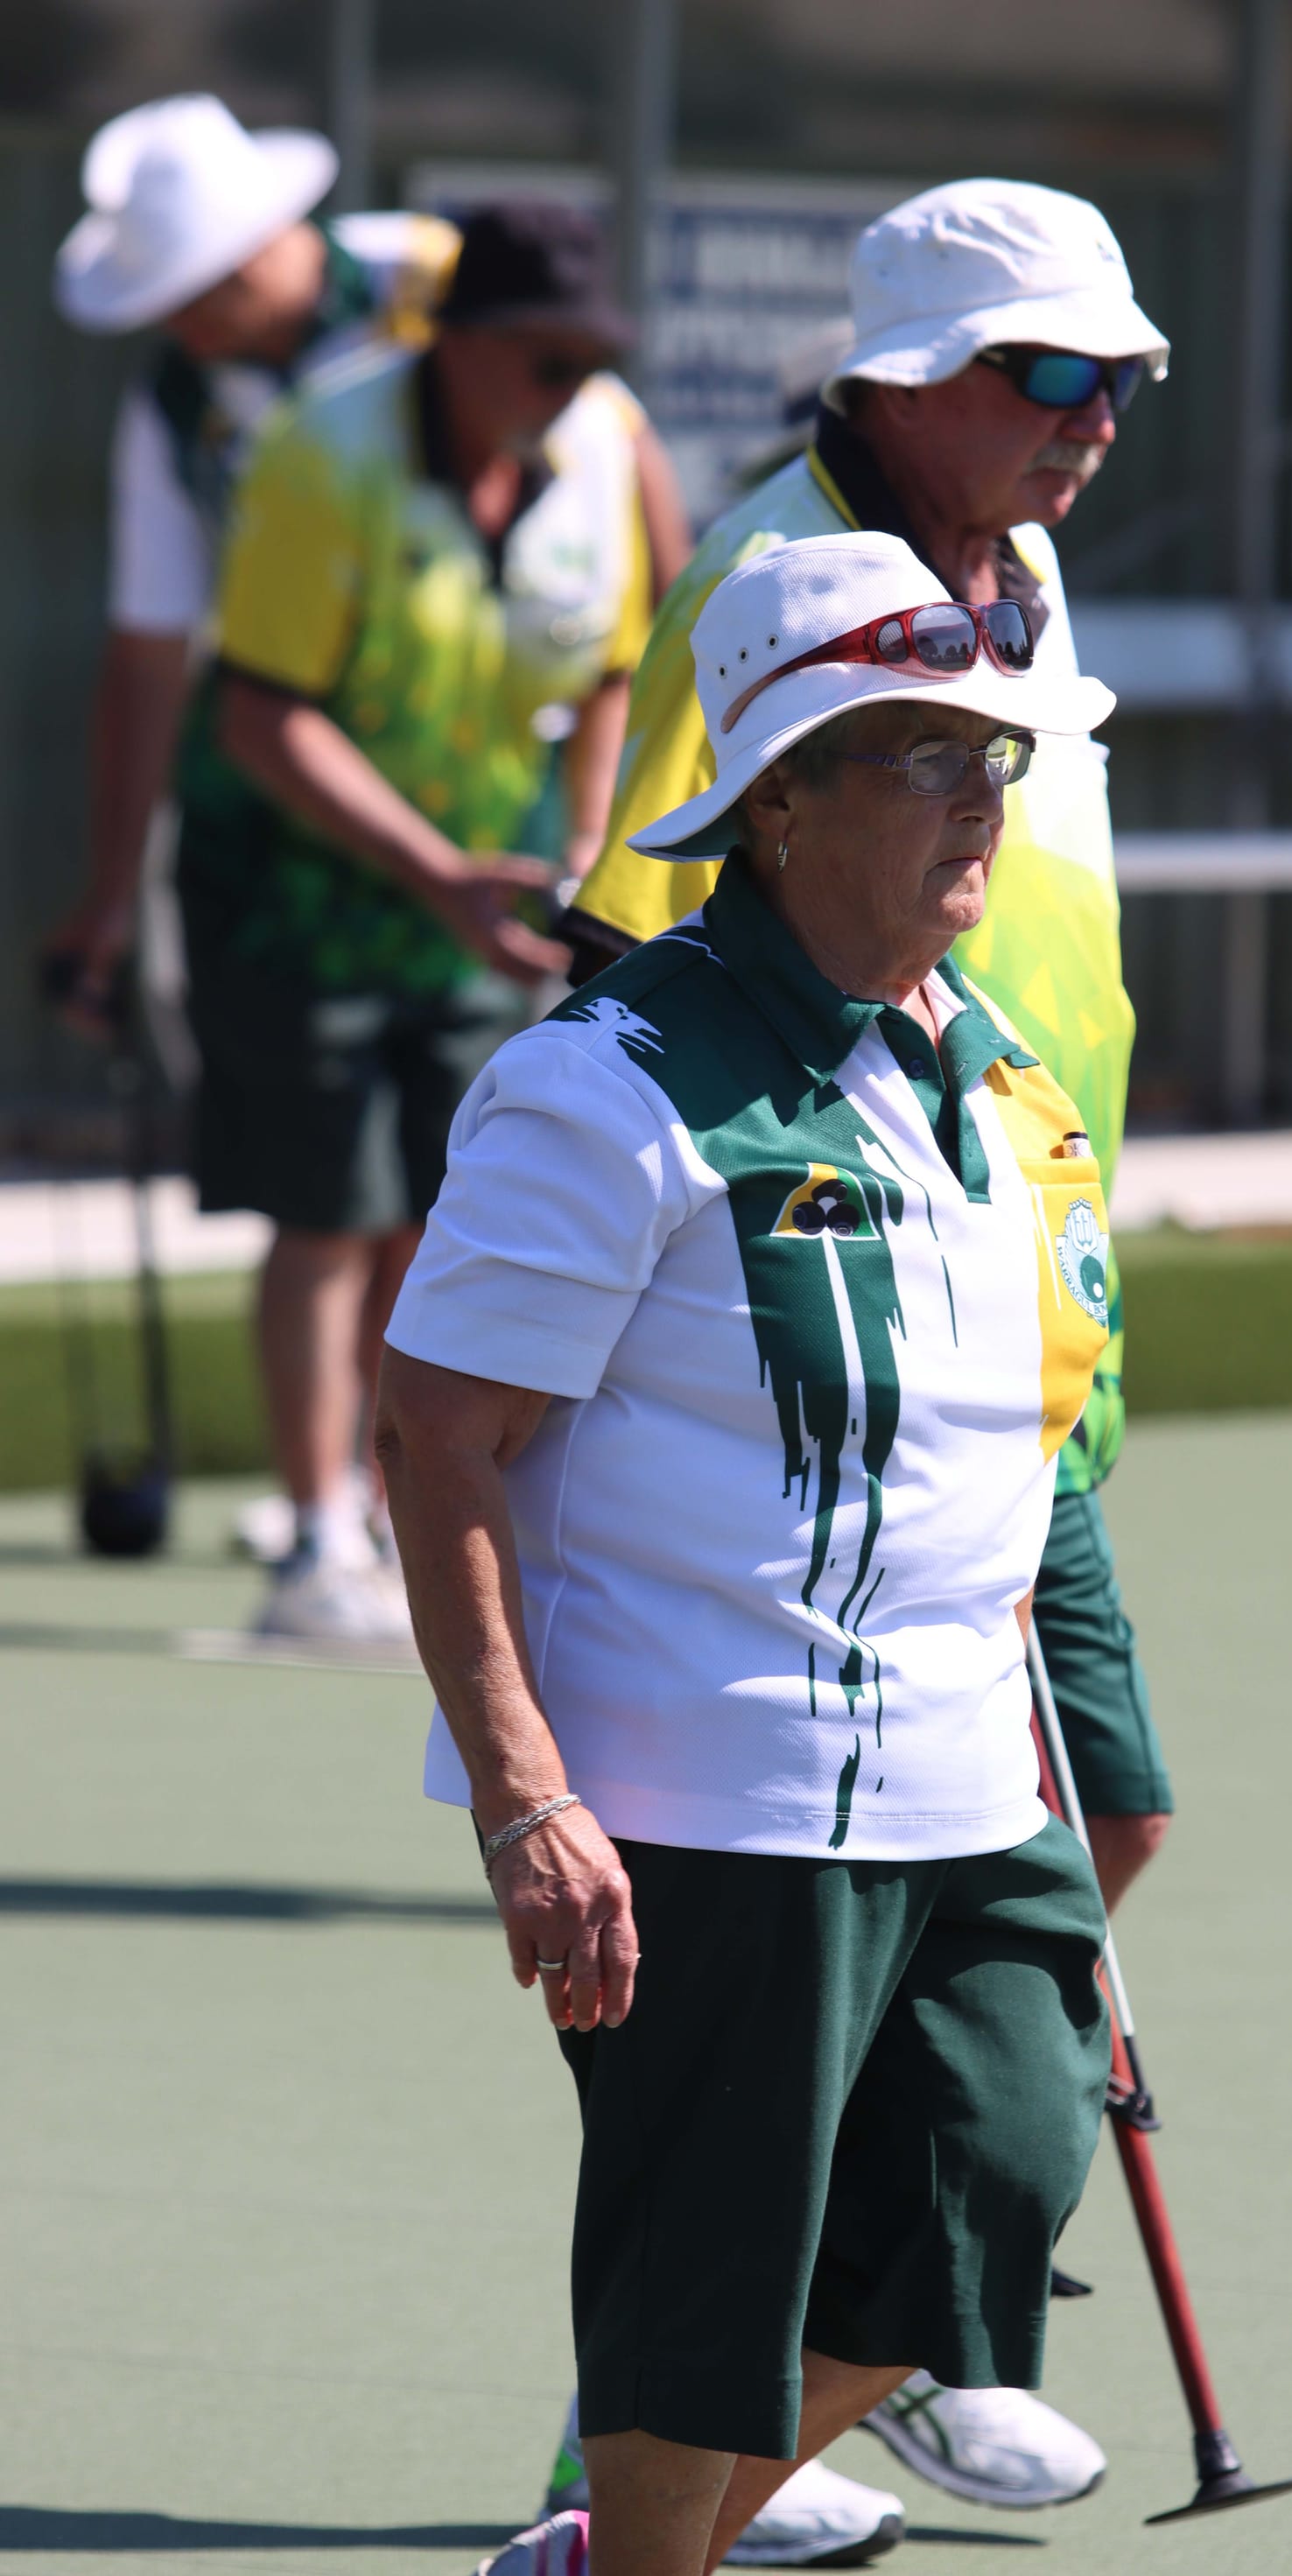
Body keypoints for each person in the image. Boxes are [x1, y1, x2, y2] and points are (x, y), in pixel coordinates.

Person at [375, 529, 1118, 2576]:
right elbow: (437, 1441)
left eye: (990, 755)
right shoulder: (606, 1082)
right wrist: (524, 1793)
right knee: (706, 2283)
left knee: (992, 2171)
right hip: (707, 1794)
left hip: (964, 1775)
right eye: (919, 756)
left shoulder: (983, 1064)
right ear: (777, 801)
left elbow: (998, 1438)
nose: (977, 799)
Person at [546, 175, 1172, 2544]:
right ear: (905, 377)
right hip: (836, 1326)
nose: (1095, 415)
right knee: (823, 1950)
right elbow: (647, 939)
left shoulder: (1028, 579)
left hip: (1019, 1299)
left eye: (1121, 377)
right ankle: (713, 2399)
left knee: (1099, 1824)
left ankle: (858, 2329)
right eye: (1049, 372)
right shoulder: (782, 572)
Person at [49, 103, 692, 1632]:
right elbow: (166, 663)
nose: (191, 323)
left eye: (203, 288)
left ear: (264, 251)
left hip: (483, 841)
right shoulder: (210, 415)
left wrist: (602, 833)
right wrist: (107, 897)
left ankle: (393, 1499)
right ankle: (315, 1522)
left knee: (437, 1199)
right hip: (292, 863)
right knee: (326, 1198)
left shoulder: (455, 291)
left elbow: (638, 588)